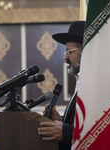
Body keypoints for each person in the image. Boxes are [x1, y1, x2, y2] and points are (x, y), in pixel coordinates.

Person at [38, 21, 85, 150]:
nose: (65, 57)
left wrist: (66, 132)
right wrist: (61, 121)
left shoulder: (97, 84)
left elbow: (101, 127)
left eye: (69, 51)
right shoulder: (81, 81)